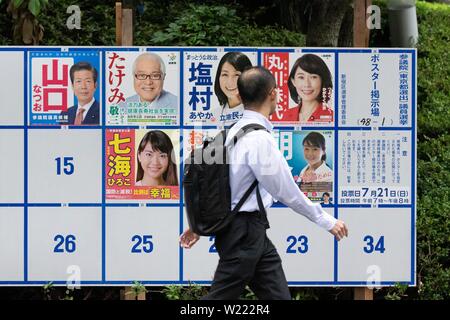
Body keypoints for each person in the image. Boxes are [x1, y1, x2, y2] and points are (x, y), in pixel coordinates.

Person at [180, 66, 348, 300]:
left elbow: (222, 184)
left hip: (247, 231)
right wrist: (324, 219)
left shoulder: (233, 131)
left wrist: (205, 221)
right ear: (272, 94)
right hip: (244, 233)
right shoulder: (259, 139)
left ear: (239, 96)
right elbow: (286, 190)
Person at [119, 52, 178, 117]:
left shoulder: (180, 105)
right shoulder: (120, 107)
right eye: (141, 75)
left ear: (163, 77)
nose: (148, 82)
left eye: (155, 75)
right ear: (133, 76)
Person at [284, 54, 333, 123]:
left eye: (313, 77)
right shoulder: (286, 115)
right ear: (293, 81)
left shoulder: (331, 117)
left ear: (322, 81)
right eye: (301, 77)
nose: (307, 84)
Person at [213, 52, 252, 125]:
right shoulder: (213, 115)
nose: (230, 82)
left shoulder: (256, 112)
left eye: (237, 74)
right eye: (225, 74)